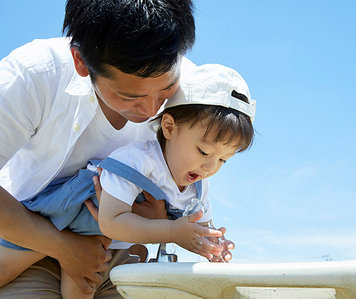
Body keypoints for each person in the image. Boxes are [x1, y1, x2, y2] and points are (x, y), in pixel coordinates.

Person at [0, 0, 233, 297]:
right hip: (29, 239)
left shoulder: (193, 88)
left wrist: (163, 222)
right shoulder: (32, 75)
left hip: (124, 253)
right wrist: (64, 246)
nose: (151, 110)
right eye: (129, 95)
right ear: (81, 62)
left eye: (165, 90)